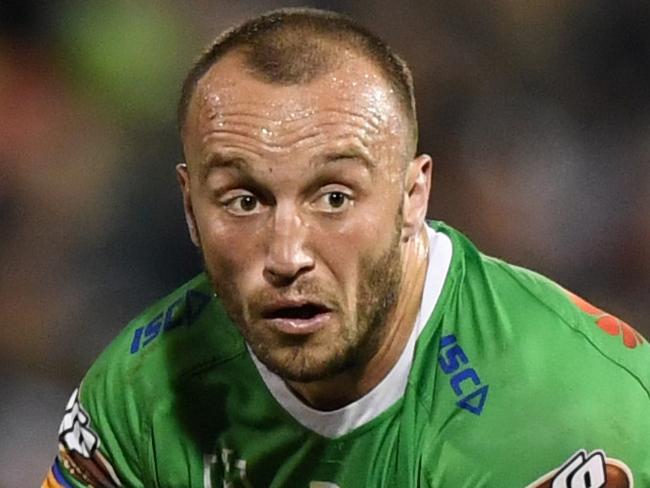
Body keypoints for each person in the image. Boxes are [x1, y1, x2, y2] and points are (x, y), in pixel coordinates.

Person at [43, 8, 649, 488]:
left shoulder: (568, 419)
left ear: (413, 197)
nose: (287, 255)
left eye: (333, 198)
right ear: (188, 207)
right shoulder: (142, 393)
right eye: (244, 201)